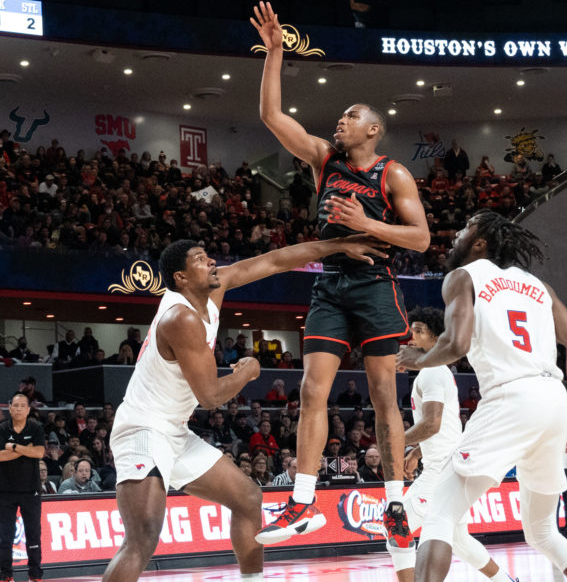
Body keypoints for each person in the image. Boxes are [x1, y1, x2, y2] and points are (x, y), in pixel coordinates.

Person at [103, 233, 388, 582]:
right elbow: (210, 397)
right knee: (143, 538)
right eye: (199, 259)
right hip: (143, 428)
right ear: (180, 277)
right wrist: (250, 372)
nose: (210, 261)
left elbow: (273, 261)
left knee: (248, 497)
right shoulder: (181, 318)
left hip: (174, 429)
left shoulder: (212, 292)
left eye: (208, 255)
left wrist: (337, 245)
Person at [251, 1, 430, 548]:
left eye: (351, 116)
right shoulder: (324, 159)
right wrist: (275, 55)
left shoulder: (391, 171)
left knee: (383, 397)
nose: (341, 121)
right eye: (341, 118)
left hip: (377, 288)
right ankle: (302, 502)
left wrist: (366, 226)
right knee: (312, 390)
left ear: (373, 128)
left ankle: (395, 504)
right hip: (330, 285)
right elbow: (273, 118)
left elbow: (421, 238)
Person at [396, 210, 567, 582]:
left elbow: (455, 343)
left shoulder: (462, 276)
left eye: (465, 227)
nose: (457, 232)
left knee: (440, 514)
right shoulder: (538, 286)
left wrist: (418, 360)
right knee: (542, 532)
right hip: (553, 400)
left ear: (479, 243)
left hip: (511, 396)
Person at [392, 307, 517, 582]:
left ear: (436, 339)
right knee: (459, 539)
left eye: (419, 330)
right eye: (411, 329)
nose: (411, 335)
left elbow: (432, 423)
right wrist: (417, 450)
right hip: (446, 462)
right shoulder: (434, 371)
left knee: (394, 525)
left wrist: (394, 442)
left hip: (441, 470)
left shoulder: (432, 372)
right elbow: (444, 425)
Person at [0, 393, 46, 582]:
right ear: (10, 408)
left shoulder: (36, 427)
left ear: (28, 409)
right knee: (5, 536)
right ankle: (6, 575)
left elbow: (39, 452)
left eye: (22, 406)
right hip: (5, 491)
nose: (18, 409)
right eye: (15, 405)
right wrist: (26, 449)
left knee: (33, 535)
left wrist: (14, 447)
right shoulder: (2, 428)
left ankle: (35, 574)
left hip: (30, 490)